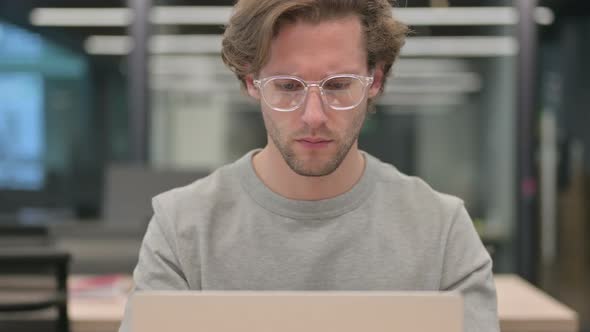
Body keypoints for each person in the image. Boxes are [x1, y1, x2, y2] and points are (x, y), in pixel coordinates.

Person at [119, 0, 499, 331]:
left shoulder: (441, 230)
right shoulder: (182, 227)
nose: (313, 116)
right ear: (253, 82)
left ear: (375, 81)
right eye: (287, 86)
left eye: (338, 85)